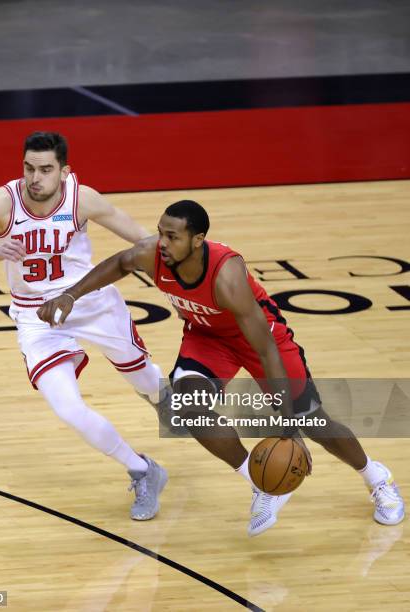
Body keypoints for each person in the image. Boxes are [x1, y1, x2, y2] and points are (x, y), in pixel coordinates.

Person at [37, 199, 405, 536]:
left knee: (311, 418)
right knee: (186, 409)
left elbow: (265, 350)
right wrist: (71, 294)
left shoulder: (227, 276)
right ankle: (260, 483)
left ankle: (377, 478)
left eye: (172, 236)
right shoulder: (153, 254)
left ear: (197, 240)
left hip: (262, 342)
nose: (161, 242)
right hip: (207, 337)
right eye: (161, 232)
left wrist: (289, 428)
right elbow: (119, 263)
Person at [0, 132, 168, 521]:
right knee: (68, 408)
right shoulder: (2, 202)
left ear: (64, 171)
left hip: (90, 302)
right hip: (37, 315)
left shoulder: (82, 198)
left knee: (150, 385)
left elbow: (142, 239)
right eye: (29, 168)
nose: (35, 177)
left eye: (46, 169)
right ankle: (143, 469)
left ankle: (169, 401)